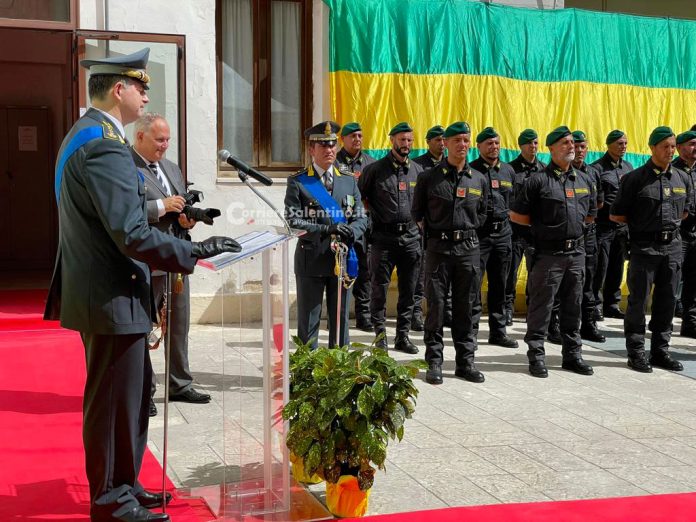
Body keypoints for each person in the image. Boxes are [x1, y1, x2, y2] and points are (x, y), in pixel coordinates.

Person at [43, 49, 240, 522]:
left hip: (108, 291)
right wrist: (195, 251)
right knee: (114, 401)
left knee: (130, 398)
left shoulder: (87, 134)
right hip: (111, 293)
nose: (146, 96)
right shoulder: (104, 145)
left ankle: (126, 485)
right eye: (141, 87)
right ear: (119, 90)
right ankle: (112, 500)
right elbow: (129, 232)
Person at [131, 113, 211, 417]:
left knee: (179, 324)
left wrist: (187, 218)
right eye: (159, 140)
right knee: (145, 328)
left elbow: (179, 209)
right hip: (146, 260)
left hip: (177, 257)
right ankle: (145, 391)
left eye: (167, 140)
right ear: (140, 137)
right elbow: (125, 210)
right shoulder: (126, 166)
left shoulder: (172, 167)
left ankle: (179, 383)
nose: (165, 145)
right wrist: (162, 206)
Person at [510, 126, 596, 378]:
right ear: (551, 149)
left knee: (573, 306)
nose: (571, 146)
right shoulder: (538, 181)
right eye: (564, 143)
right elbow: (517, 215)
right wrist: (539, 237)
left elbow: (590, 215)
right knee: (542, 307)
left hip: (576, 254)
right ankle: (536, 356)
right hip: (548, 255)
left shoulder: (584, 180)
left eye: (572, 142)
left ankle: (572, 355)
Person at [412, 121, 489, 384]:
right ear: (446, 143)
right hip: (438, 250)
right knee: (436, 307)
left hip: (468, 250)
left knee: (466, 307)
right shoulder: (428, 177)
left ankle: (465, 362)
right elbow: (417, 213)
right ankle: (434, 362)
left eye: (466, 140)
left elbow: (483, 214)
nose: (462, 145)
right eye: (457, 140)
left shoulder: (478, 178)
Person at [611, 126, 691, 373]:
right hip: (644, 248)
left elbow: (685, 211)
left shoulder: (682, 178)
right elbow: (617, 215)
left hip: (672, 248)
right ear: (652, 148)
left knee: (667, 301)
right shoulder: (634, 179)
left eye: (673, 146)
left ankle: (660, 351)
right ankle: (636, 352)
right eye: (665, 146)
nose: (670, 151)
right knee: (638, 302)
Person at [284, 121, 368, 348]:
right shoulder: (299, 181)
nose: (329, 149)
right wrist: (326, 229)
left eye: (332, 145)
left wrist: (351, 231)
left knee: (340, 321)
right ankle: (309, 366)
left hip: (342, 260)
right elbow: (293, 221)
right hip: (312, 259)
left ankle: (339, 365)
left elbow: (361, 217)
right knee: (309, 323)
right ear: (312, 149)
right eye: (323, 145)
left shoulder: (348, 180)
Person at [358, 122, 422, 354]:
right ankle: (380, 337)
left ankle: (402, 336)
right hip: (383, 238)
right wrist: (373, 216)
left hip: (411, 238)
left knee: (409, 289)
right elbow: (360, 197)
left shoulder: (417, 171)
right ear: (392, 140)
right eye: (402, 140)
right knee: (379, 289)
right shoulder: (374, 170)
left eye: (409, 140)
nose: (406, 144)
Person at [470, 127, 518, 348]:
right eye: (489, 143)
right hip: (480, 235)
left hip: (503, 235)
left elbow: (514, 202)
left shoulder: (508, 171)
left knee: (500, 285)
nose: (494, 147)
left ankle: (498, 332)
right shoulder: (471, 171)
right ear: (479, 146)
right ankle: (471, 332)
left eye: (497, 143)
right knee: (473, 286)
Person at [335, 122, 375, 332]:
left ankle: (364, 315)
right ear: (343, 139)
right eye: (353, 136)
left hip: (362, 225)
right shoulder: (334, 161)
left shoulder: (370, 163)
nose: (357, 139)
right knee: (338, 269)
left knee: (364, 270)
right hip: (339, 224)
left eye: (360, 136)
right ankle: (337, 314)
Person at [592, 130, 634, 320]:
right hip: (603, 225)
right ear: (609, 145)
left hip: (622, 227)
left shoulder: (628, 167)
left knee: (617, 266)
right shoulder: (597, 168)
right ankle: (595, 303)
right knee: (600, 266)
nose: (623, 147)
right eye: (619, 143)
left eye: (625, 143)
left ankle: (612, 303)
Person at [506, 129, 546, 325]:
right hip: (514, 230)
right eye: (529, 143)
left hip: (535, 231)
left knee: (536, 273)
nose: (533, 146)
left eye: (536, 143)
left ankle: (533, 308)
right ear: (520, 146)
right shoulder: (510, 169)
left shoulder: (544, 169)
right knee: (509, 272)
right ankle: (507, 307)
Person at [412, 125, 449, 331]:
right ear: (428, 142)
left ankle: (445, 312)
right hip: (421, 227)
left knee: (443, 273)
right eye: (437, 140)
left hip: (441, 227)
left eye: (444, 140)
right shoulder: (418, 165)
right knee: (419, 273)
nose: (442, 144)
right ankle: (416, 312)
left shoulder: (450, 164)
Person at [572, 130, 606, 343]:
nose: (579, 150)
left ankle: (588, 323)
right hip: (568, 234)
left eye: (582, 147)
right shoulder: (561, 172)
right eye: (575, 146)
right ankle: (555, 324)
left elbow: (599, 202)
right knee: (566, 281)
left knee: (590, 280)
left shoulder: (593, 173)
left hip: (589, 233)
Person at [673, 130, 696, 338]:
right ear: (679, 147)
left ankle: (690, 323)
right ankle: (662, 322)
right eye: (692, 144)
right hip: (678, 233)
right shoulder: (672, 171)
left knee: (694, 282)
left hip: (695, 234)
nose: (695, 148)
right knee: (671, 279)